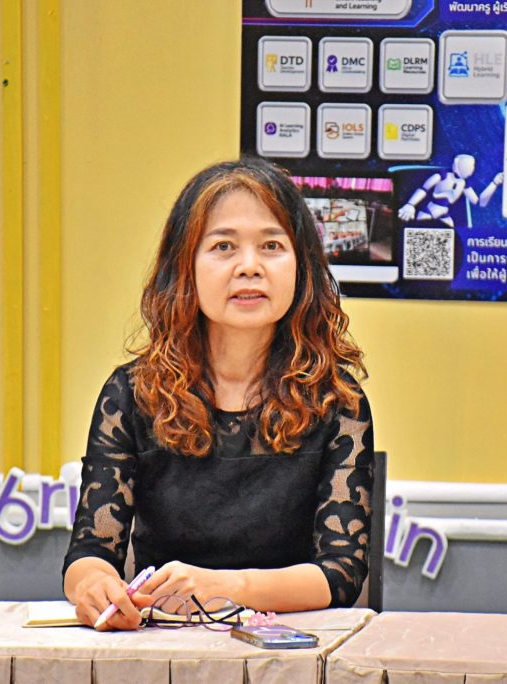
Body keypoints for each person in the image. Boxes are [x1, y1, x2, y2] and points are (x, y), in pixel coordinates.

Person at [62, 157, 374, 631]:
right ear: (184, 266)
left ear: (302, 266)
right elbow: (90, 550)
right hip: (164, 643)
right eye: (223, 246)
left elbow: (341, 572)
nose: (249, 267)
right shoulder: (132, 394)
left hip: (289, 646)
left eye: (271, 246)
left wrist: (224, 586)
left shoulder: (337, 401)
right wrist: (93, 585)